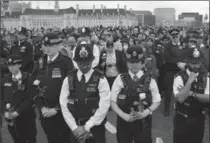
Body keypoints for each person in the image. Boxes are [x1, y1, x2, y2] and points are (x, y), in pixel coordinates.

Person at [59, 41, 111, 143]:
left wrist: (87, 127)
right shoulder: (69, 79)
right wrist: (75, 128)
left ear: (93, 61)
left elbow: (104, 106)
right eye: (80, 63)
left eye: (87, 63)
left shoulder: (100, 79)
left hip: (96, 128)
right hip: (75, 128)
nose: (84, 66)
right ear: (75, 62)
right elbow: (63, 104)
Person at [111, 45, 161, 143]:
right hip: (124, 120)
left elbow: (157, 100)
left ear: (142, 63)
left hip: (143, 121)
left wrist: (146, 112)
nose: (134, 65)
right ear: (126, 63)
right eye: (131, 62)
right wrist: (124, 115)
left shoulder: (150, 79)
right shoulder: (120, 78)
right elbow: (112, 101)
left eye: (137, 62)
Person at [33, 32, 74, 143]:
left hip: (62, 113)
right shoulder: (40, 62)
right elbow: (34, 87)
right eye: (45, 45)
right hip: (45, 112)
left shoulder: (66, 62)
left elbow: (72, 89)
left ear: (58, 46)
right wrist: (41, 108)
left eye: (50, 46)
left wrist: (57, 109)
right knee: (51, 139)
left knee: (64, 140)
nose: (47, 48)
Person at [173, 47, 209, 143]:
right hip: (182, 118)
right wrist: (189, 82)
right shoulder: (179, 77)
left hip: (199, 119)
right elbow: (180, 98)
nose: (196, 66)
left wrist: (191, 93)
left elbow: (208, 98)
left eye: (198, 63)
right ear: (188, 62)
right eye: (193, 63)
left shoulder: (205, 78)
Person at [2, 55, 37, 143]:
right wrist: (4, 112)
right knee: (17, 140)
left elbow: (30, 99)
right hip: (11, 118)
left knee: (30, 139)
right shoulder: (5, 79)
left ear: (20, 65)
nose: (11, 68)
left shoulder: (27, 78)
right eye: (9, 65)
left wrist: (17, 112)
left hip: (26, 117)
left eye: (14, 65)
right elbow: (1, 98)